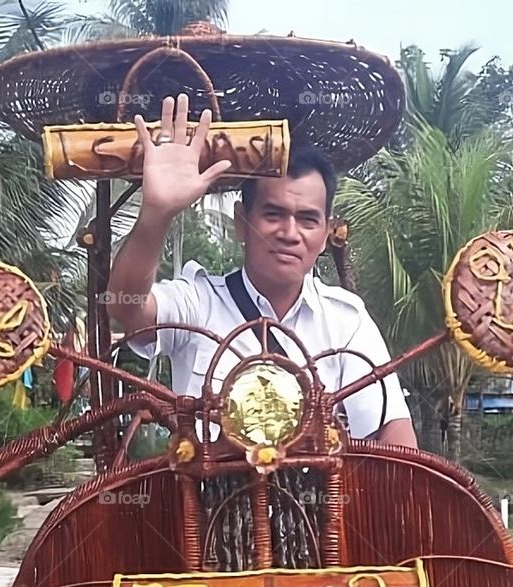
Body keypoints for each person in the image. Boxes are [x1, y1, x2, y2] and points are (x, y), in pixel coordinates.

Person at [106, 95, 417, 449]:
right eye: (273, 214)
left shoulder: (346, 320)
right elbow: (124, 308)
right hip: (204, 504)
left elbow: (394, 433)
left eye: (307, 219)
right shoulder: (197, 303)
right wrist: (156, 212)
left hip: (321, 503)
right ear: (242, 222)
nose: (289, 232)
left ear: (327, 232)